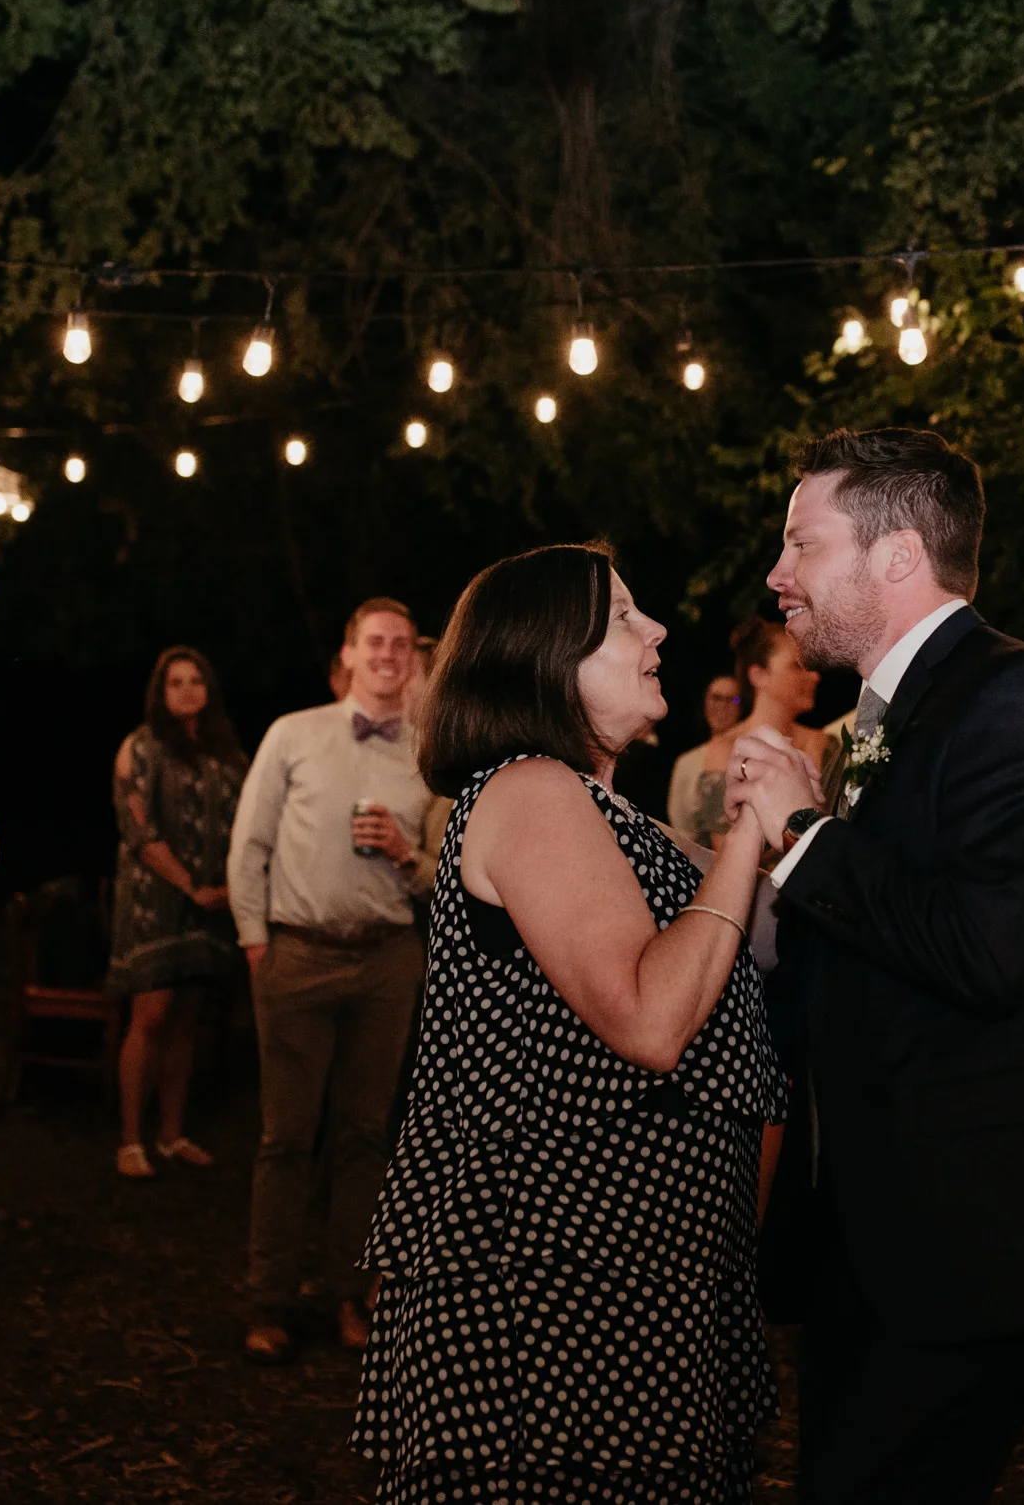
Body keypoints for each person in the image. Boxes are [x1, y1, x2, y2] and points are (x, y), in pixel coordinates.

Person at [725, 428, 1024, 1505]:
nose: (778, 574)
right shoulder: (876, 720)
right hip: (877, 1223)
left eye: (802, 543)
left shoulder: (1021, 699)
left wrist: (806, 834)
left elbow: (983, 949)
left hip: (982, 1232)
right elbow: (856, 953)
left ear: (898, 556)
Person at [352, 545, 786, 1503]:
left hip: (633, 1285)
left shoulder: (609, 814)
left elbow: (739, 917)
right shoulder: (527, 791)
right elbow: (648, 1019)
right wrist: (749, 830)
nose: (657, 630)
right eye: (624, 617)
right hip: (551, 1296)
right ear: (548, 657)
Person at [227, 598, 437, 1362]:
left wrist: (403, 855)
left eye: (401, 644)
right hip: (298, 954)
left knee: (362, 1136)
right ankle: (268, 1299)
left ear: (413, 659)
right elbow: (246, 846)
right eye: (374, 642)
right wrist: (258, 947)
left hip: (386, 959)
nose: (388, 654)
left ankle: (351, 1295)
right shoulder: (294, 733)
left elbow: (444, 878)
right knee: (285, 1138)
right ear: (348, 654)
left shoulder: (428, 751)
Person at [109, 646, 245, 1179]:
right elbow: (138, 830)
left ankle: (171, 1135)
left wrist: (228, 889)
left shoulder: (228, 756)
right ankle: (129, 1140)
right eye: (175, 683)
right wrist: (190, 886)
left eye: (195, 681)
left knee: (186, 1020)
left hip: (210, 903)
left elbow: (248, 824)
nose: (186, 690)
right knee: (152, 1016)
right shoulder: (139, 748)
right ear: (160, 693)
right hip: (157, 901)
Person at [679, 619, 833, 850]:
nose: (814, 676)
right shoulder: (727, 751)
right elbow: (727, 855)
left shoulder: (824, 743)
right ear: (759, 675)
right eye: (797, 666)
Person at [665, 675, 743, 843]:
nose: (722, 706)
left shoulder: (750, 756)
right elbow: (680, 825)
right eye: (716, 698)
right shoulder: (686, 762)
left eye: (732, 699)